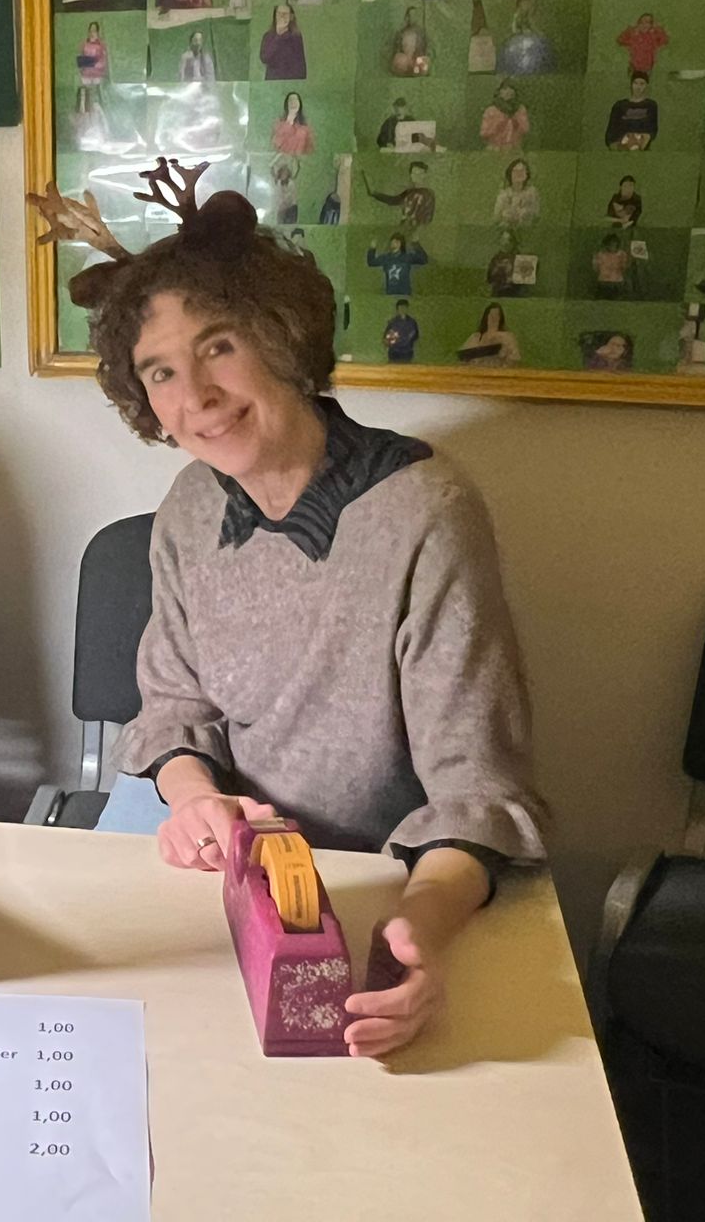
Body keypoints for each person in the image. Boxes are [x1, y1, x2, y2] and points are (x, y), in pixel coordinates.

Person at [54, 193, 546, 1062]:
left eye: (218, 346)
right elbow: (174, 709)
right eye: (160, 372)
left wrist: (420, 932)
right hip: (226, 863)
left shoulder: (426, 513)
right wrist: (194, 798)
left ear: (279, 336)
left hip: (370, 875)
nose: (196, 396)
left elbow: (478, 789)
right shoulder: (190, 506)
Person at [371, 161, 438, 229]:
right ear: (411, 175)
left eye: (420, 173)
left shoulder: (428, 194)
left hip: (416, 229)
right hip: (405, 229)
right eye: (414, 173)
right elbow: (393, 200)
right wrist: (376, 194)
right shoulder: (409, 192)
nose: (416, 176)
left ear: (425, 175)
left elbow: (425, 218)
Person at [606, 72, 660, 150]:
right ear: (631, 85)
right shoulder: (619, 105)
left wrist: (639, 142)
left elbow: (652, 131)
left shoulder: (651, 105)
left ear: (646, 86)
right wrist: (618, 146)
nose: (638, 87)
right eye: (635, 83)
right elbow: (610, 133)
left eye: (642, 84)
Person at [259, 4, 308, 80]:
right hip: (273, 81)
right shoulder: (268, 36)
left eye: (285, 14)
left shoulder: (296, 36)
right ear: (275, 16)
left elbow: (300, 63)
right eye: (279, 13)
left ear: (291, 17)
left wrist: (300, 81)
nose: (282, 16)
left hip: (292, 80)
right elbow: (265, 58)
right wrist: (278, 36)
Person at [479, 80, 530, 151]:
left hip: (515, 149)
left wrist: (517, 123)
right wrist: (498, 124)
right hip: (495, 150)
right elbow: (484, 133)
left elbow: (525, 130)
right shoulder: (491, 110)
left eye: (511, 88)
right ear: (499, 92)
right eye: (504, 89)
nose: (508, 91)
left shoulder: (520, 109)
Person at [616, 12, 668, 76]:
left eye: (647, 22)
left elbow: (664, 40)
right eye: (641, 22)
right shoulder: (633, 34)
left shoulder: (653, 36)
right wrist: (630, 29)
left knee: (645, 80)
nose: (644, 25)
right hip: (634, 66)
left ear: (651, 25)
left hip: (648, 67)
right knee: (633, 80)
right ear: (637, 24)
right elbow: (620, 40)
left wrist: (657, 27)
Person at [74, 21, 109, 118]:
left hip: (97, 76)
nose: (92, 33)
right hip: (85, 75)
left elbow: (103, 62)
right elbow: (80, 60)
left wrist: (91, 63)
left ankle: (99, 116)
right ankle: (84, 115)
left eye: (94, 30)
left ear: (98, 32)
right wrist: (89, 63)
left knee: (96, 98)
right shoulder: (84, 44)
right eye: (90, 30)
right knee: (84, 97)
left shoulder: (102, 45)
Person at [494, 159, 541, 226]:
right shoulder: (503, 195)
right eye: (515, 171)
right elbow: (498, 217)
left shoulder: (532, 193)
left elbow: (535, 214)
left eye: (522, 170)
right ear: (510, 174)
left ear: (526, 174)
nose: (519, 173)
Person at [590, 232, 637, 299]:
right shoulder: (601, 254)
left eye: (614, 243)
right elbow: (596, 269)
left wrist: (629, 261)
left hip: (617, 283)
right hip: (603, 283)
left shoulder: (622, 254)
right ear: (606, 244)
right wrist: (594, 260)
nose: (612, 245)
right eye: (610, 243)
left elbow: (624, 268)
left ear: (617, 244)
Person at [389, 6, 432, 75]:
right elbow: (396, 50)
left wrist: (417, 59)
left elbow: (424, 50)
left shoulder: (421, 33)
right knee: (400, 60)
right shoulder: (402, 33)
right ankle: (407, 68)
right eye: (409, 15)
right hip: (405, 62)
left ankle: (415, 69)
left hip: (417, 61)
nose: (411, 18)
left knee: (424, 62)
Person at [271, 91, 315, 155]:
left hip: (299, 159)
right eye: (291, 100)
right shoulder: (279, 123)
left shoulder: (305, 125)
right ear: (286, 104)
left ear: (299, 104)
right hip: (283, 159)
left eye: (296, 100)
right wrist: (289, 120)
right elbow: (275, 144)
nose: (293, 102)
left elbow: (310, 147)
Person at [486, 229, 527, 297]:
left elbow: (523, 286)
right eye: (503, 240)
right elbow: (489, 279)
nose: (505, 243)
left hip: (514, 296)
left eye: (509, 240)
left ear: (514, 242)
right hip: (497, 295)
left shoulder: (522, 260)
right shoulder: (496, 259)